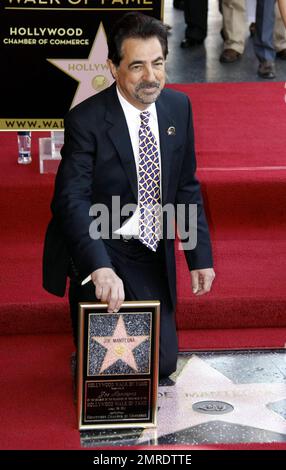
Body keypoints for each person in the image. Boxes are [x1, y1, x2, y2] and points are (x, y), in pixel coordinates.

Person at [43, 12, 215, 379]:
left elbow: (186, 186)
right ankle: (86, 298)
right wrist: (99, 266)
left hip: (152, 248)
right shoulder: (86, 120)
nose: (151, 77)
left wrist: (199, 255)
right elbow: (70, 200)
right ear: (113, 67)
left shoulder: (178, 107)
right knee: (115, 367)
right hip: (103, 245)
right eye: (137, 66)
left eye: (158, 63)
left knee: (161, 364)